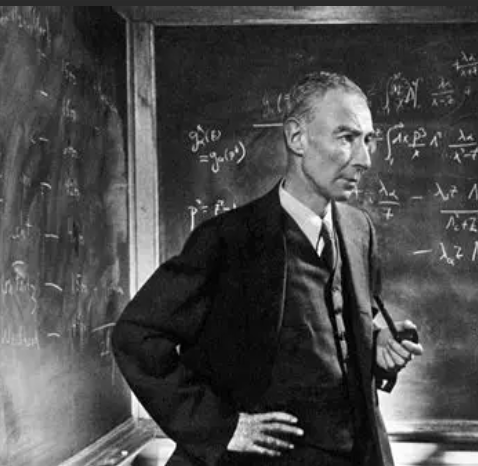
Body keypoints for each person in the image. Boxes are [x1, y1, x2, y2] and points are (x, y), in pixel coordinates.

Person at [111, 70, 423, 466]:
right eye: (346, 138)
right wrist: (220, 427)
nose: (364, 160)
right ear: (296, 137)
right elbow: (136, 335)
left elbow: (337, 327)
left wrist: (374, 344)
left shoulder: (359, 229)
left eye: (369, 140)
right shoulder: (227, 240)